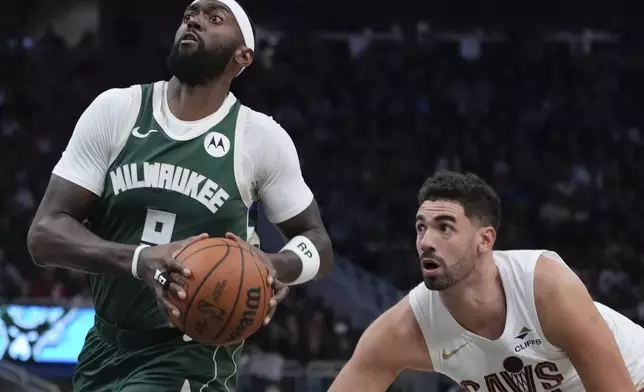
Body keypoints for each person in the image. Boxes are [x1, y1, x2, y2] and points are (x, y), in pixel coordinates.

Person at [26, 0, 333, 391]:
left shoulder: (260, 137)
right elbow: (44, 235)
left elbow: (318, 242)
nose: (195, 20)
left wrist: (276, 266)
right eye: (191, 14)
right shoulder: (116, 110)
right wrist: (139, 260)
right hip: (104, 345)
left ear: (243, 56)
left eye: (214, 17)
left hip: (191, 353)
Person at [329, 171, 644, 392]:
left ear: (485, 240)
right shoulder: (405, 328)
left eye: (445, 227)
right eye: (421, 227)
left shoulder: (545, 287)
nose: (426, 241)